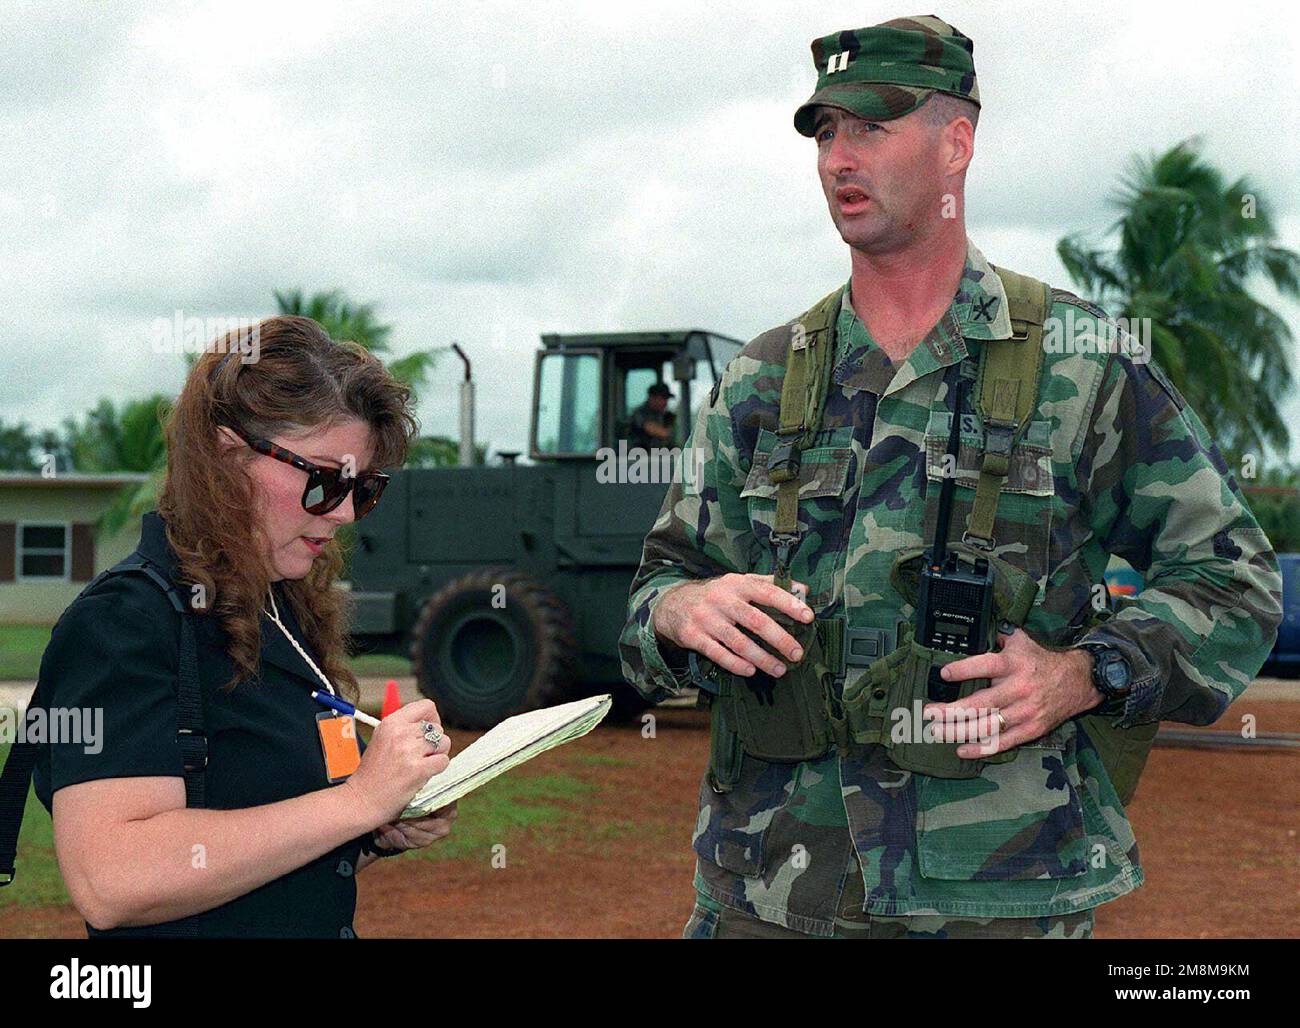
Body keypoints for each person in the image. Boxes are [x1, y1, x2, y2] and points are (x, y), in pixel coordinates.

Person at [619, 15, 1282, 939]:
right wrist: (679, 612)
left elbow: (1234, 576)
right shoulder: (763, 378)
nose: (838, 157)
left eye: (873, 125)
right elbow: (658, 587)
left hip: (997, 902)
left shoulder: (1078, 360)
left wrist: (1087, 672)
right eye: (824, 131)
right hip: (770, 897)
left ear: (957, 143)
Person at [22, 317, 457, 937]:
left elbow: (269, 848)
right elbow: (113, 879)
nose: (345, 513)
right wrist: (355, 802)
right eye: (327, 480)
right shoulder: (125, 623)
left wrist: (376, 828)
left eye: (365, 488)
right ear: (229, 455)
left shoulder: (279, 610)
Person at [626, 382, 676, 451]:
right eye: (662, 398)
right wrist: (666, 432)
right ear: (652, 398)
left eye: (666, 399)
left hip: (658, 456)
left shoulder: (665, 415)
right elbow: (651, 428)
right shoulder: (639, 412)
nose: (665, 402)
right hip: (636, 457)